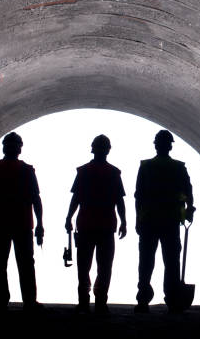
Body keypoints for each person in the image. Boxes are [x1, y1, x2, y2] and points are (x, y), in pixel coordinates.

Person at [0, 132, 44, 312]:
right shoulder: (27, 171)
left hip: (0, 225)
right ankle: (28, 301)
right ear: (19, 148)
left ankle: (2, 299)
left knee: (0, 264)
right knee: (25, 264)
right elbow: (36, 199)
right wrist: (39, 224)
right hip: (20, 225)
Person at [134, 130, 195, 313]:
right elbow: (187, 193)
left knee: (146, 261)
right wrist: (188, 213)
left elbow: (139, 196)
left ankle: (143, 300)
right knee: (171, 262)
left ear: (155, 145)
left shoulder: (145, 166)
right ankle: (173, 299)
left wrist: (138, 219)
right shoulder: (178, 167)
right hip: (171, 221)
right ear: (169, 146)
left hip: (149, 221)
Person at [65, 135, 127, 314]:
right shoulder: (114, 173)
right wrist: (123, 222)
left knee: (85, 265)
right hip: (105, 226)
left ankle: (84, 302)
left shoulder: (84, 171)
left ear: (93, 149)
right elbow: (119, 201)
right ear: (108, 150)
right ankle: (100, 302)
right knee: (104, 266)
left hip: (87, 225)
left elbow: (76, 198)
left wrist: (69, 217)